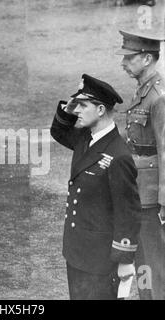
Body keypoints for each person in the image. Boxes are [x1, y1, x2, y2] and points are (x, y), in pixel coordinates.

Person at [50, 74, 142, 300]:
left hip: (100, 260)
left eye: (83, 105)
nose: (77, 110)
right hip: (77, 251)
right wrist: (67, 108)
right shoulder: (85, 139)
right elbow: (59, 131)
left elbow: (127, 212)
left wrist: (125, 260)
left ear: (100, 110)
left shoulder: (118, 156)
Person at [116, 30, 165, 299]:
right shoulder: (142, 92)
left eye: (129, 58)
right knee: (144, 263)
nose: (123, 63)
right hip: (139, 191)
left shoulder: (158, 96)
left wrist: (163, 200)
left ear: (146, 58)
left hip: (152, 197)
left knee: (156, 266)